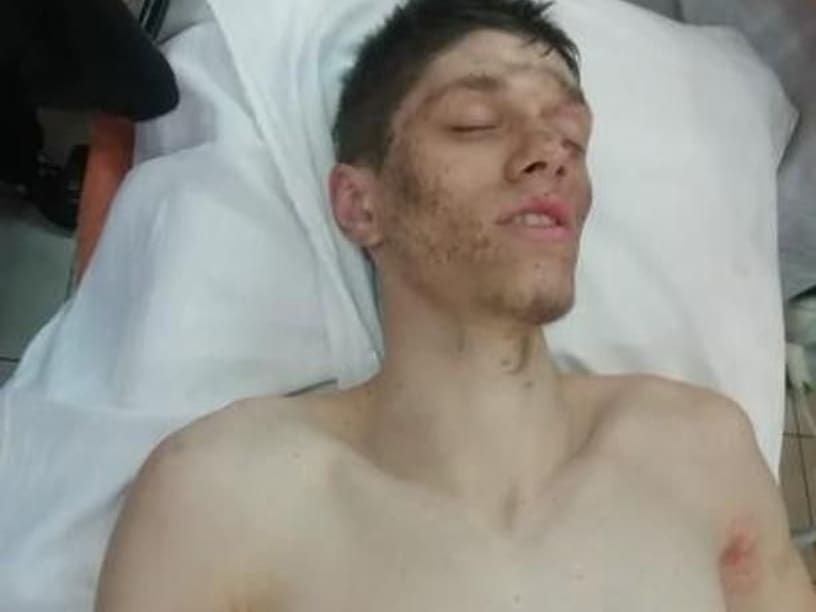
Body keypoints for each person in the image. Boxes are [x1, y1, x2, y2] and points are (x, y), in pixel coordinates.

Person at [94, 0, 816, 610]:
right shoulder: (221, 498)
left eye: (572, 136)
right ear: (360, 204)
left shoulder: (702, 452)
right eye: (475, 122)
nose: (550, 153)